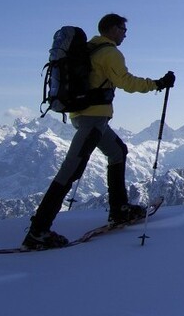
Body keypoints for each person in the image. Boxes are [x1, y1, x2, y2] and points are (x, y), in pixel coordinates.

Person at [23, 13, 175, 249]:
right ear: (113, 29)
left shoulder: (90, 49)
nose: (125, 33)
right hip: (93, 119)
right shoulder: (110, 52)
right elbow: (127, 82)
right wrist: (157, 84)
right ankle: (38, 231)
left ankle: (119, 209)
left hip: (87, 117)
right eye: (123, 29)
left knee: (118, 152)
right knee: (70, 171)